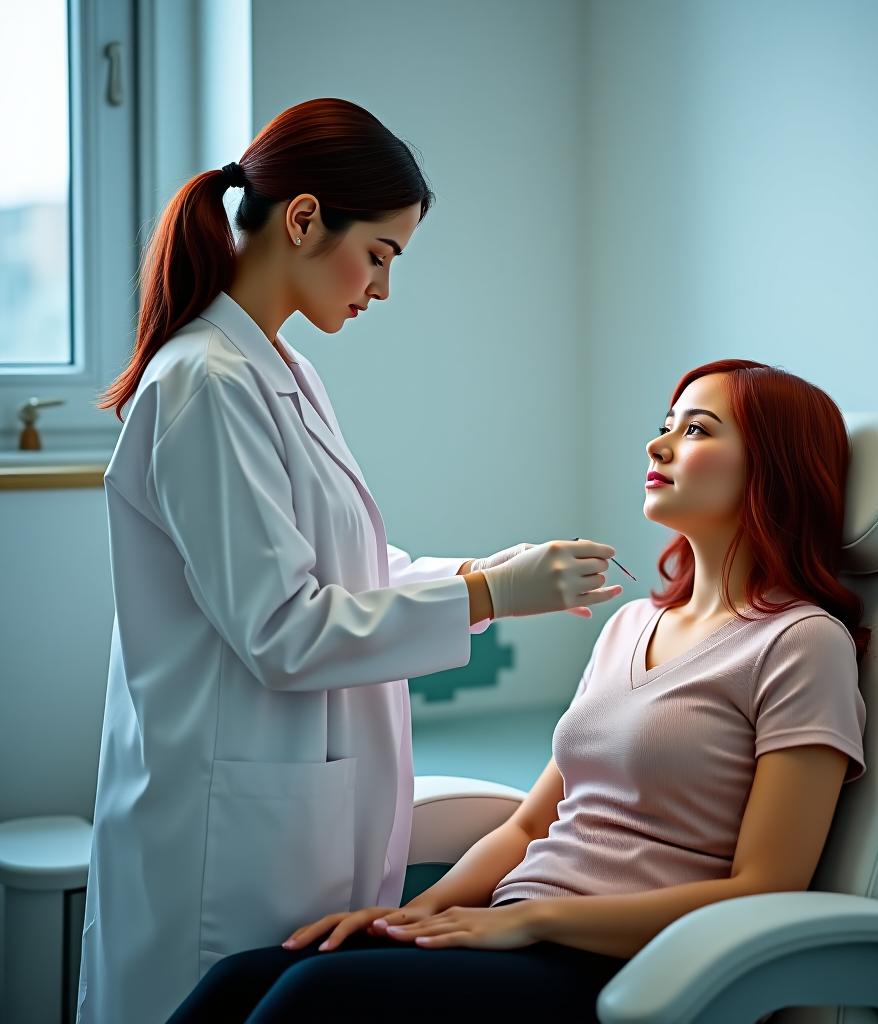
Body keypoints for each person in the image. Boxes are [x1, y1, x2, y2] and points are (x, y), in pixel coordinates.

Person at [75, 97, 623, 1024]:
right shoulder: (207, 384)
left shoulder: (278, 372)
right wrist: (489, 591)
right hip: (225, 826)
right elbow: (284, 629)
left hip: (285, 804)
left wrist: (486, 579)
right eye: (380, 254)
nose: (381, 287)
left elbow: (348, 572)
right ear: (302, 219)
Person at [167, 358, 871, 1024]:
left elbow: (762, 887)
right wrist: (416, 916)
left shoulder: (802, 644)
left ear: (772, 472)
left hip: (633, 968)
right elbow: (531, 826)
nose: (658, 445)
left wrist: (531, 919)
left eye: (696, 430)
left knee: (313, 1000)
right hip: (520, 930)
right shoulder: (632, 622)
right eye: (667, 423)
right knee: (247, 977)